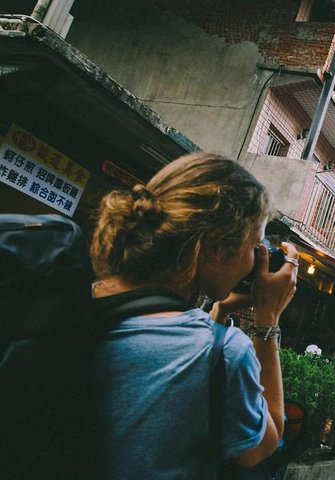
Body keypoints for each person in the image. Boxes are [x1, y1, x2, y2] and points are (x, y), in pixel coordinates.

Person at [87, 153, 298, 478]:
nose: (254, 264)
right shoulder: (225, 353)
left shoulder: (76, 300)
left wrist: (220, 311)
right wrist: (267, 318)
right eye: (254, 247)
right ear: (215, 249)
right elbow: (264, 444)